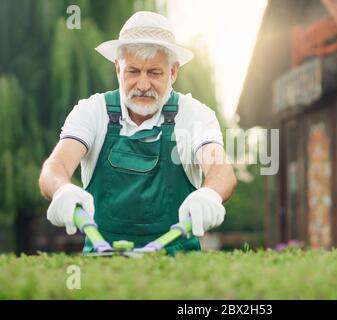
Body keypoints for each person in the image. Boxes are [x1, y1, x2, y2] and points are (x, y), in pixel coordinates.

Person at [38, 11, 237, 255]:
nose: (143, 85)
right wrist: (62, 189)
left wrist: (210, 194)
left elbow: (221, 170)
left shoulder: (194, 115)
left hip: (180, 266)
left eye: (154, 73)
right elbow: (55, 166)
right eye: (133, 71)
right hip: (102, 261)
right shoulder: (92, 111)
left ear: (173, 72)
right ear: (117, 69)